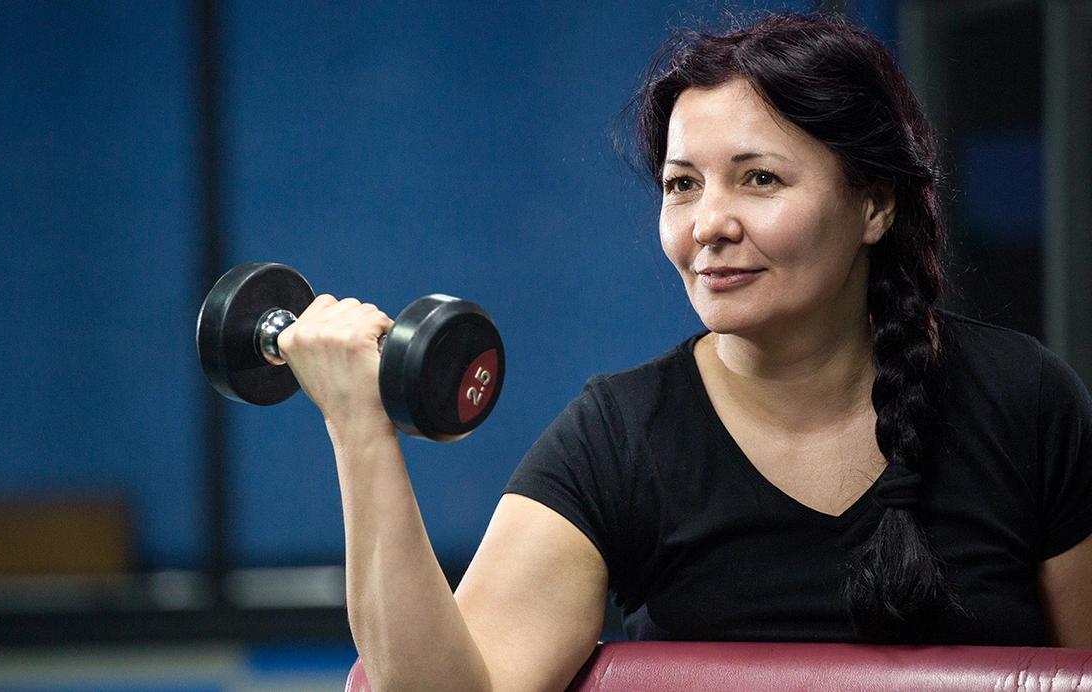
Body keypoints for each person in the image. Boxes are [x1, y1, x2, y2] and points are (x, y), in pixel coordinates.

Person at [278, 12, 1092, 691]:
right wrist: (358, 428)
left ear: (874, 204)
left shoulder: (1023, 401)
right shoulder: (619, 438)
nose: (708, 225)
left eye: (760, 179)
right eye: (682, 185)